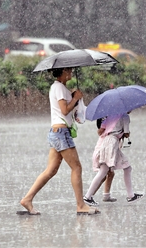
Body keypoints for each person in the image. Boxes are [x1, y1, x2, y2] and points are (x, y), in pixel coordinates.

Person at [20, 67, 101, 215]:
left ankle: (27, 199)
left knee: (51, 170)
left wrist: (74, 97)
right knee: (76, 167)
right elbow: (64, 110)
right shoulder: (58, 87)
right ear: (63, 71)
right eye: (69, 70)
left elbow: (65, 109)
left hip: (58, 132)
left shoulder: (60, 88)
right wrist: (75, 98)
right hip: (61, 133)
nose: (71, 71)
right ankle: (81, 205)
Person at [83, 112, 144, 205]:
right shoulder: (125, 116)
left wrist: (113, 128)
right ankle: (87, 196)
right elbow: (127, 133)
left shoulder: (110, 115)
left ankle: (131, 195)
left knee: (126, 167)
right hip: (112, 143)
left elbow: (100, 131)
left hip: (107, 142)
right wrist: (123, 132)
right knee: (104, 171)